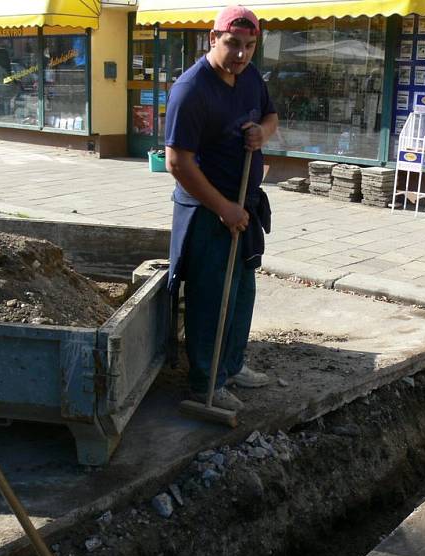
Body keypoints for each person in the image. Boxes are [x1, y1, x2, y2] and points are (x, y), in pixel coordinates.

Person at [165, 5, 279, 411]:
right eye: (232, 44)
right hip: (205, 212)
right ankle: (205, 382)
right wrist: (223, 208)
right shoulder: (191, 90)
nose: (241, 54)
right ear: (212, 39)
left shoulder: (249, 78)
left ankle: (231, 366)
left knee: (241, 292)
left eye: (249, 46)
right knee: (211, 297)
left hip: (243, 208)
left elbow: (270, 115)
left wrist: (260, 134)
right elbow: (177, 162)